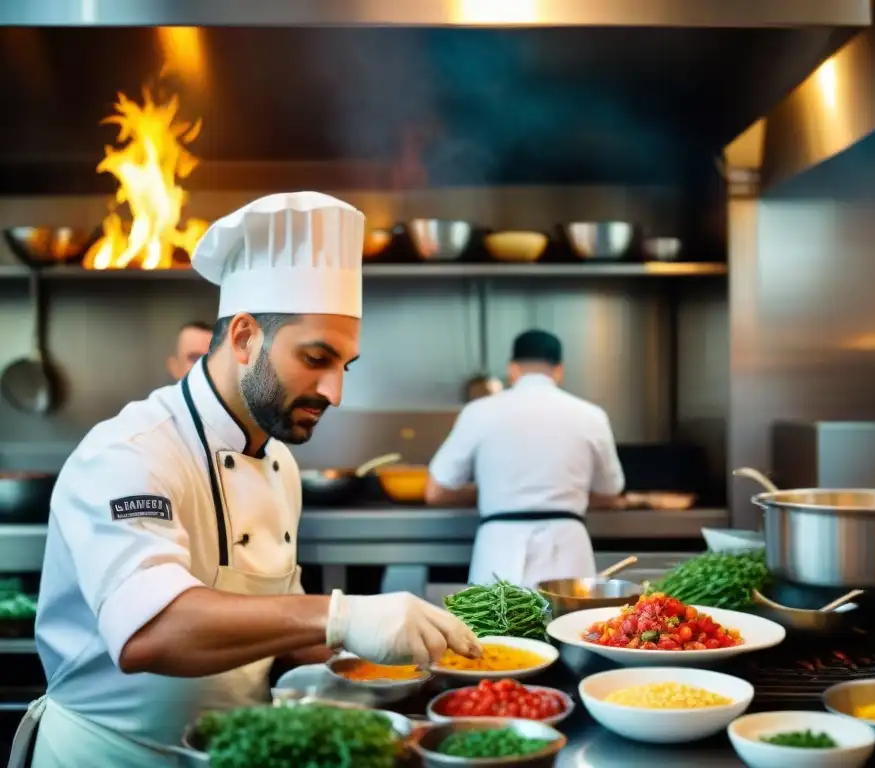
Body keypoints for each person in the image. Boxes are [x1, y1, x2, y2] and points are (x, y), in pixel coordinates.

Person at [10, 192, 480, 768]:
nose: (335, 393)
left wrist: (408, 658)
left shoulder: (279, 464)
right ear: (243, 337)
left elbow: (277, 620)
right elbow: (149, 632)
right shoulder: (131, 453)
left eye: (344, 367)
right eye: (316, 358)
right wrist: (344, 616)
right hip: (112, 756)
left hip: (234, 752)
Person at [425, 329, 626, 588]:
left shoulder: (478, 412)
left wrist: (491, 491)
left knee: (491, 626)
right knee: (568, 627)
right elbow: (611, 494)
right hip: (568, 551)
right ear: (559, 370)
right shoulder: (592, 415)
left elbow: (435, 491)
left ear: (513, 369)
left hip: (498, 549)